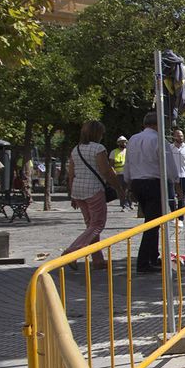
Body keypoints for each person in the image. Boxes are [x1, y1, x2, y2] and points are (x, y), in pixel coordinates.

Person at [62, 120, 129, 269]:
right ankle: (72, 252)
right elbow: (106, 171)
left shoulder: (76, 149)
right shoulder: (98, 149)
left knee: (90, 225)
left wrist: (72, 194)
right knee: (97, 224)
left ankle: (97, 259)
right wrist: (119, 188)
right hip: (93, 190)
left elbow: (71, 173)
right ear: (97, 133)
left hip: (79, 190)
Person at [122, 111, 167, 272]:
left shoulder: (133, 139)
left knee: (152, 220)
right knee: (152, 223)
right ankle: (143, 262)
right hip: (153, 183)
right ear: (157, 124)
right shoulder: (158, 140)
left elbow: (128, 162)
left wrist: (128, 182)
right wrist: (175, 183)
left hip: (137, 183)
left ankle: (153, 256)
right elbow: (168, 164)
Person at [110, 135, 130, 209]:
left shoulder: (128, 151)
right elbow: (111, 164)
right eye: (122, 142)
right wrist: (113, 172)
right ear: (118, 143)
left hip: (128, 173)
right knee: (121, 190)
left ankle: (129, 203)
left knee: (128, 190)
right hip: (119, 174)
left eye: (125, 142)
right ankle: (123, 205)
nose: (124, 143)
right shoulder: (114, 152)